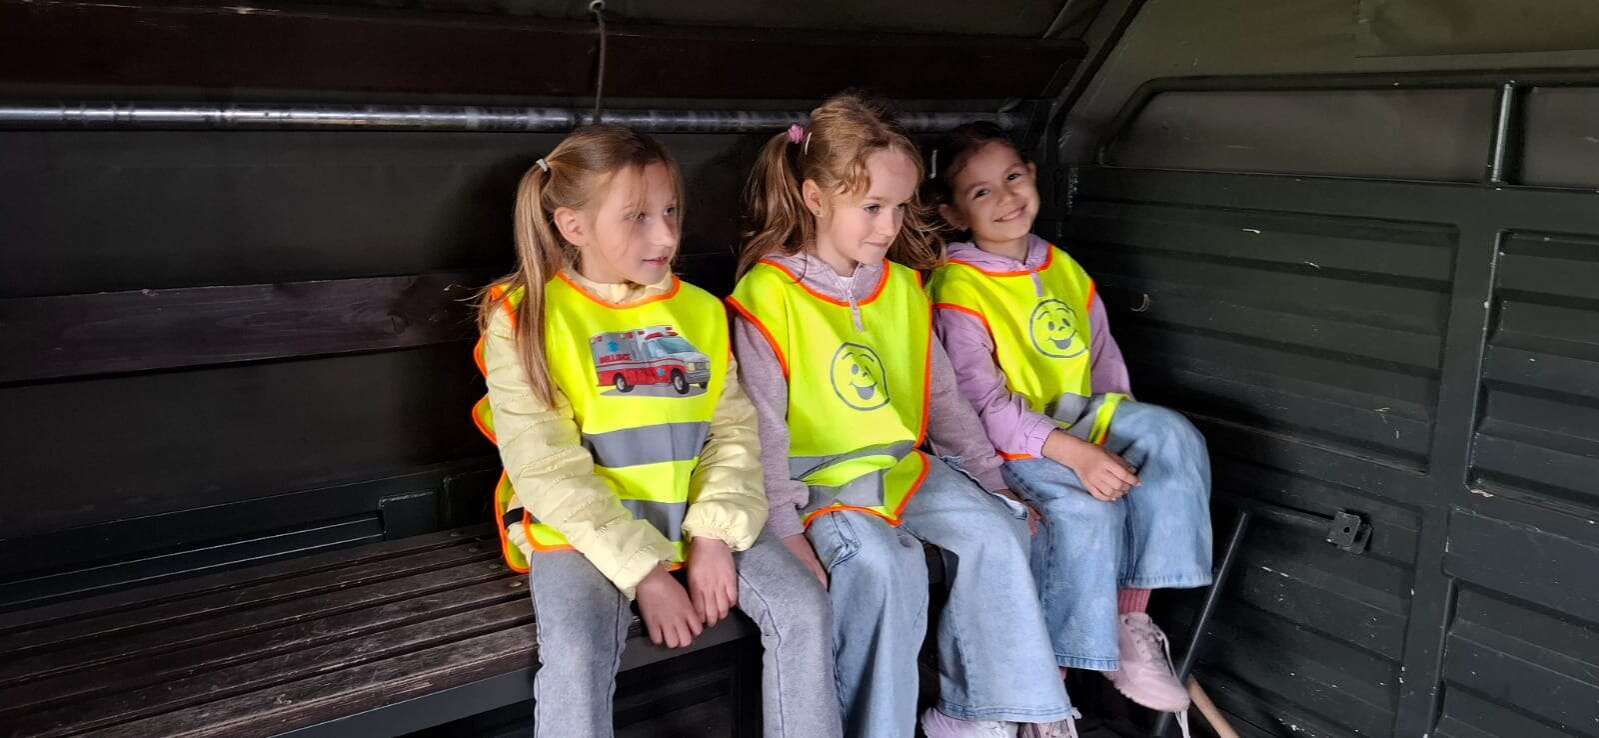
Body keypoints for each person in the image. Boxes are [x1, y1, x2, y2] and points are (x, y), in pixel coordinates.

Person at [472, 125, 842, 738]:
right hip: (584, 534)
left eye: (670, 211)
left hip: (701, 516)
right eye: (637, 217)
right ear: (572, 226)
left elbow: (733, 434)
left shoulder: (699, 310)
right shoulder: (524, 317)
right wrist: (646, 573)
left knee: (804, 608)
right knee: (576, 651)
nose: (667, 235)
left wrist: (715, 534)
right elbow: (547, 470)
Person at [729, 95, 1078, 738]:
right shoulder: (767, 294)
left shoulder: (903, 288)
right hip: (819, 482)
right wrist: (785, 531)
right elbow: (761, 430)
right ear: (814, 198)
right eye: (872, 207)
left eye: (900, 206)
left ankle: (986, 716)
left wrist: (994, 482)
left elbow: (944, 402)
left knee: (1000, 533)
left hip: (903, 470)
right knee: (886, 568)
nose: (889, 226)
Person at [925, 121, 1214, 714]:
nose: (1006, 197)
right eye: (981, 191)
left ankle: (1129, 621)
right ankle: (1048, 687)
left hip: (1083, 420)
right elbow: (982, 406)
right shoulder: (957, 286)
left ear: (1033, 175)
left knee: (1171, 437)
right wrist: (1076, 455)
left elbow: (1104, 363)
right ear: (953, 213)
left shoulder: (1064, 268)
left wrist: (1122, 444)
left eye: (1013, 177)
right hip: (1014, 444)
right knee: (1086, 510)